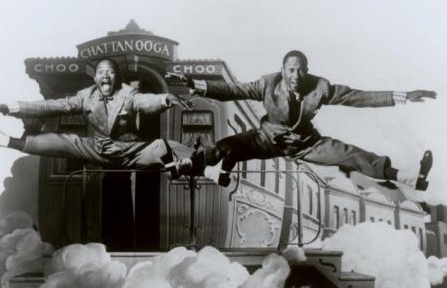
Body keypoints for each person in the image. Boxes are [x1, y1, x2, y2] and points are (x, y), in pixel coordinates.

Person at [167, 50, 436, 189]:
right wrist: (196, 84)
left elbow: (357, 97)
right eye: (291, 70)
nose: (296, 76)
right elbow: (233, 90)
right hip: (267, 138)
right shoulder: (267, 84)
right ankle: (189, 166)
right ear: (282, 71)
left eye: (301, 70)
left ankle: (409, 178)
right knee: (226, 146)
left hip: (306, 143)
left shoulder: (320, 87)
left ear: (307, 71)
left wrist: (403, 96)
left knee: (352, 155)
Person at [0, 58, 195, 176]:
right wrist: (8, 107)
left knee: (163, 146)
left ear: (116, 77)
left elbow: (145, 101)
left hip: (130, 152)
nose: (105, 75)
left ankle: (200, 164)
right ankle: (2, 139)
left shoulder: (128, 94)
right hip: (98, 148)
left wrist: (167, 99)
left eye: (110, 72)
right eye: (101, 72)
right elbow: (52, 105)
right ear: (96, 78)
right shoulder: (86, 96)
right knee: (68, 142)